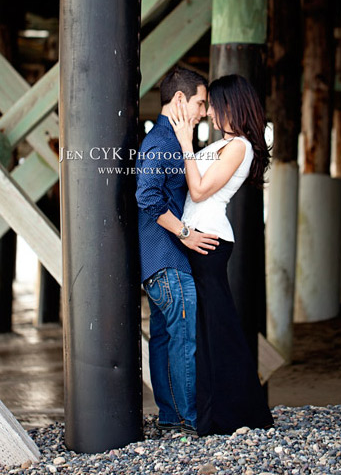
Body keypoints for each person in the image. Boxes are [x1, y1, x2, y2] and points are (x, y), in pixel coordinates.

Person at [170, 73, 274, 436]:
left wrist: (185, 141)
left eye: (214, 104)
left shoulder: (240, 147)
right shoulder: (224, 144)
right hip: (201, 237)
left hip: (209, 240)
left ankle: (237, 413)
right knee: (210, 329)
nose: (211, 112)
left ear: (233, 104)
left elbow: (198, 191)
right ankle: (217, 414)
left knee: (218, 329)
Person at [135, 66, 220, 436]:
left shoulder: (169, 140)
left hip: (158, 262)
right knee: (182, 341)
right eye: (200, 103)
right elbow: (146, 195)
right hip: (168, 260)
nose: (203, 112)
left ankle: (173, 419)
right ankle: (187, 420)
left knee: (166, 340)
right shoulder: (164, 143)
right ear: (181, 99)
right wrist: (185, 233)